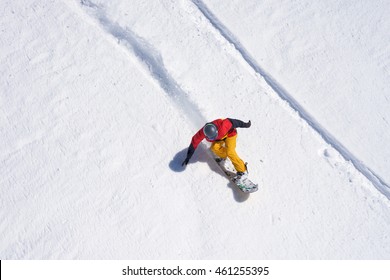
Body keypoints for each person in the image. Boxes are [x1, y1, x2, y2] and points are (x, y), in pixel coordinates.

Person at [182, 118, 251, 183]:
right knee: (214, 147)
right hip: (219, 139)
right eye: (211, 138)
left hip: (230, 135)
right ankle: (224, 156)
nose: (212, 138)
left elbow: (236, 122)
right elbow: (194, 143)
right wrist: (188, 157)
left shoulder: (224, 125)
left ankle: (242, 171)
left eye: (214, 136)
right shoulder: (203, 132)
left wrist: (246, 124)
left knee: (230, 151)